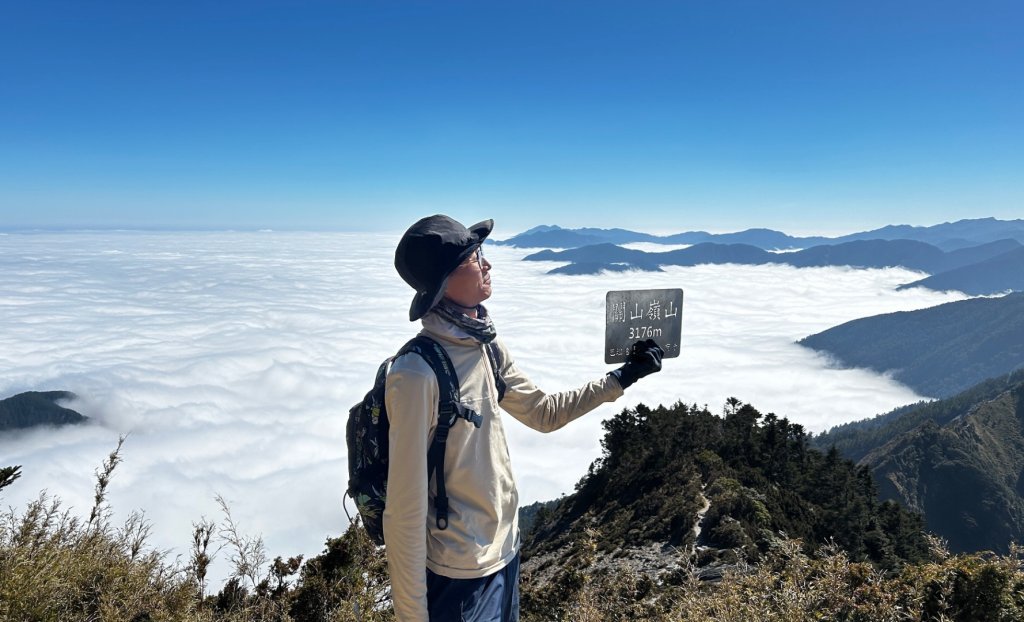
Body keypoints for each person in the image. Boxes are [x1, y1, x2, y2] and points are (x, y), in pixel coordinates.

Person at [386, 214, 663, 621]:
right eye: (474, 256)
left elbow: (543, 413)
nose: (487, 264)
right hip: (458, 577)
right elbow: (404, 513)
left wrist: (623, 377)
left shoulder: (485, 344)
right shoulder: (415, 374)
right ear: (444, 278)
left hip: (506, 552)